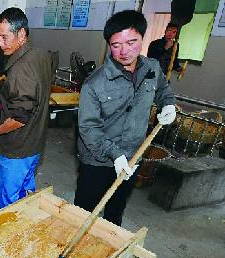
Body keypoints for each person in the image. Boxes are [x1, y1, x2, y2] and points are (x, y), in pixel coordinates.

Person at [74, 10, 177, 226]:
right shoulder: (94, 84)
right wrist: (114, 153)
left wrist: (168, 104)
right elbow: (88, 128)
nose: (124, 51)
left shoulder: (152, 68)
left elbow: (163, 90)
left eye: (131, 42)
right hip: (97, 160)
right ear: (109, 46)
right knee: (83, 215)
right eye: (116, 45)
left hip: (132, 157)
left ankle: (109, 253)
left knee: (115, 211)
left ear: (142, 38)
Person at [0, 7, 51, 212]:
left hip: (19, 147)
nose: (0, 44)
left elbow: (19, 118)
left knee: (6, 200)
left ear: (21, 34)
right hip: (36, 142)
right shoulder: (39, 54)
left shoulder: (21, 69)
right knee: (25, 193)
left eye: (4, 37)